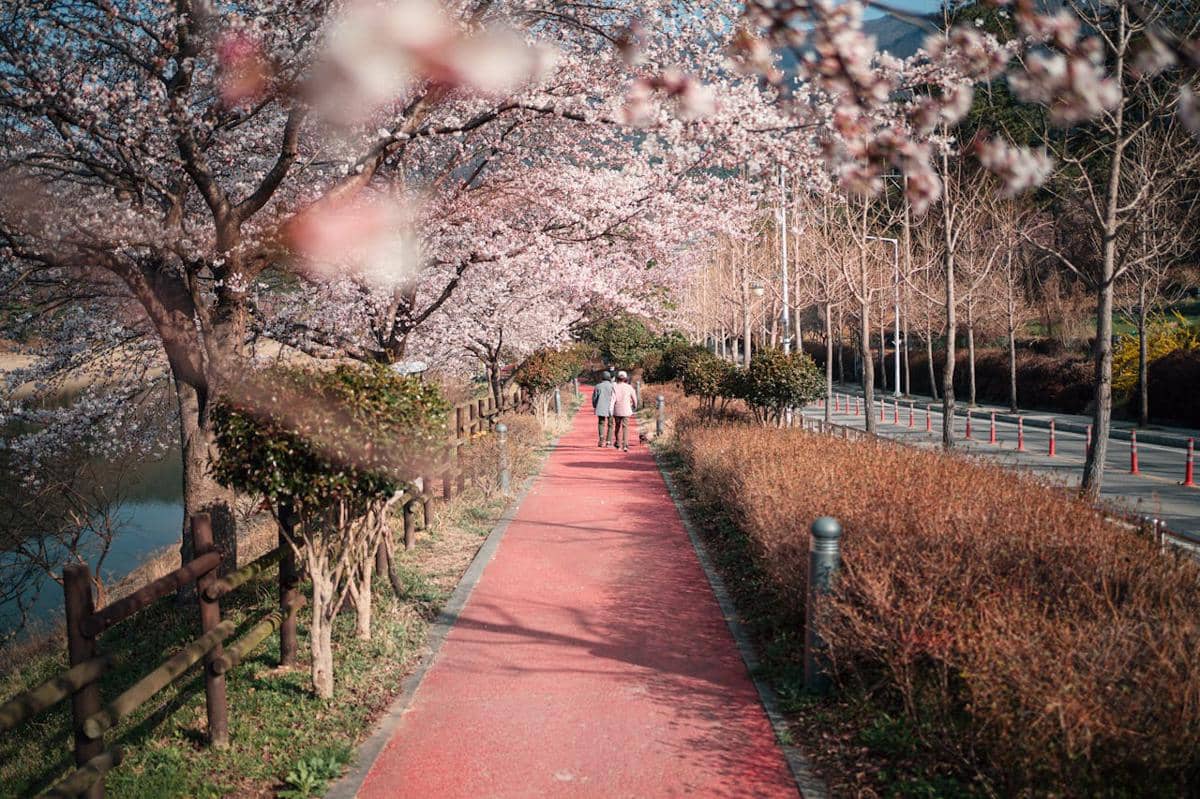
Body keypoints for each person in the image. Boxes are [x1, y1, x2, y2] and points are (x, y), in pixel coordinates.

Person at [609, 371, 639, 452]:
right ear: (625, 379)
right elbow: (634, 398)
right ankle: (625, 445)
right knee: (625, 427)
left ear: (617, 378)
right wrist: (635, 406)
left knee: (617, 426)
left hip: (617, 410)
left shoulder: (615, 387)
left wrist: (610, 409)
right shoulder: (629, 387)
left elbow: (612, 400)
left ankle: (618, 443)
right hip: (626, 409)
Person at [592, 370, 615, 447]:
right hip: (610, 408)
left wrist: (595, 406)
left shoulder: (598, 386)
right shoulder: (612, 386)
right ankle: (609, 441)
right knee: (610, 424)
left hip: (600, 406)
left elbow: (594, 398)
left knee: (601, 423)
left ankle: (601, 439)